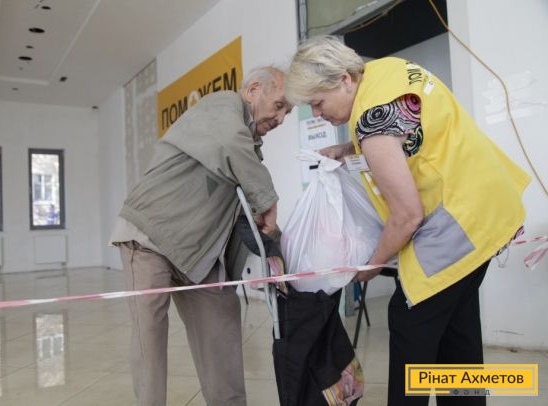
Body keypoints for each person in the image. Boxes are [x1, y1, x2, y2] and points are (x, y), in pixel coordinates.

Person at [285, 35, 530, 406]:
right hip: (488, 209)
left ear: (344, 80)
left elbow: (407, 216)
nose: (317, 114)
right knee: (457, 333)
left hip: (457, 228)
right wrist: (349, 148)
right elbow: (406, 130)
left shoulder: (370, 122)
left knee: (408, 320)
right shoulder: (389, 71)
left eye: (317, 102)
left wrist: (371, 265)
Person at [110, 66, 292, 406]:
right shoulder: (223, 106)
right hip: (149, 236)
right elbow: (230, 145)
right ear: (253, 89)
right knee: (150, 337)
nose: (281, 118)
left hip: (198, 252)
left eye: (288, 112)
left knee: (221, 326)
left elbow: (240, 213)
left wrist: (278, 248)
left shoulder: (249, 149)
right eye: (279, 105)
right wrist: (267, 199)